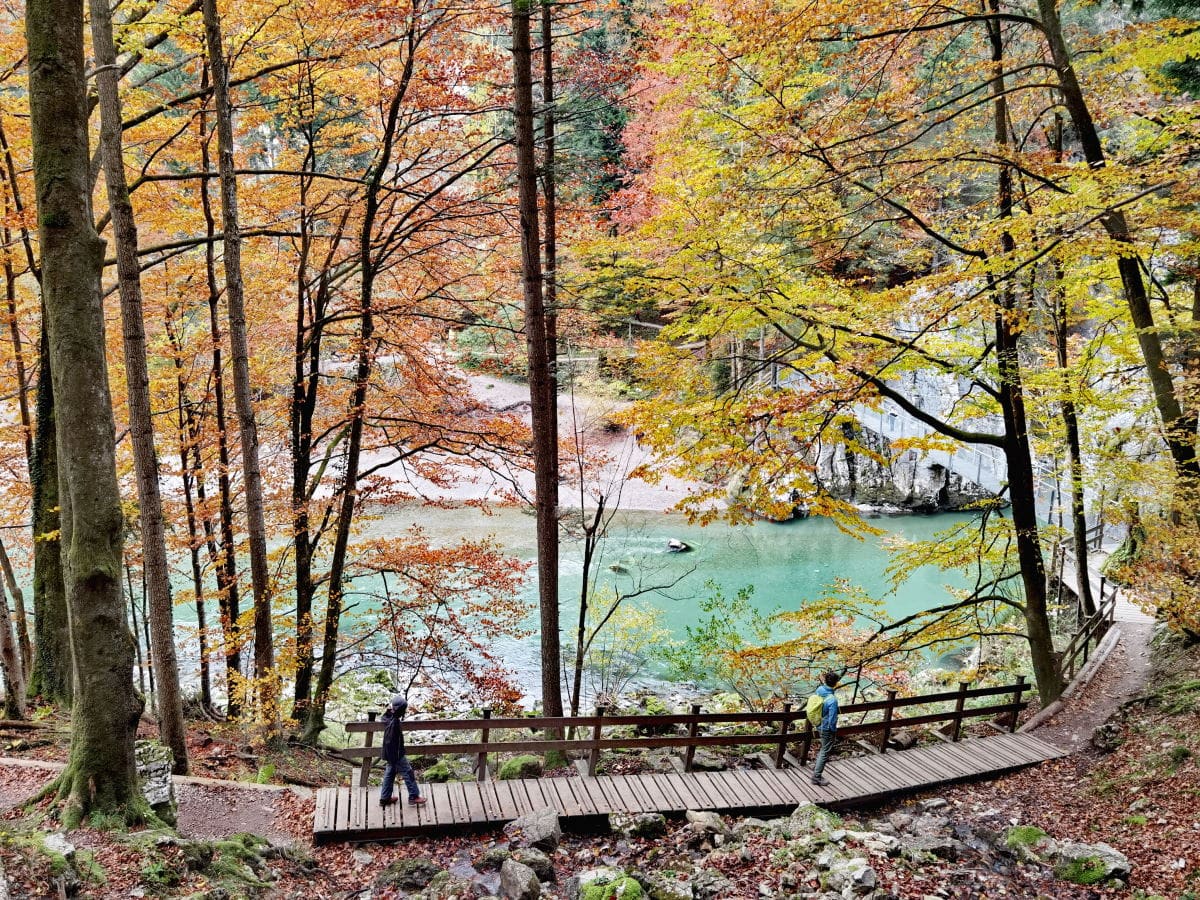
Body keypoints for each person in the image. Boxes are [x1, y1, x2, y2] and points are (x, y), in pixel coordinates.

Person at [379, 694, 426, 807]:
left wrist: (390, 710)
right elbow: (394, 741)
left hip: (389, 753)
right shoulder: (394, 723)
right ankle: (414, 796)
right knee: (408, 773)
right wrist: (398, 755)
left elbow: (384, 717)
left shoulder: (388, 719)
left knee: (389, 774)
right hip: (397, 754)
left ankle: (385, 798)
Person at [811, 671, 841, 786]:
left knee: (823, 748)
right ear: (835, 683)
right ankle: (816, 776)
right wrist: (833, 731)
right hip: (826, 727)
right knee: (825, 751)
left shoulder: (819, 690)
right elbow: (832, 719)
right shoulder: (832, 700)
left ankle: (816, 766)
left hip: (818, 723)